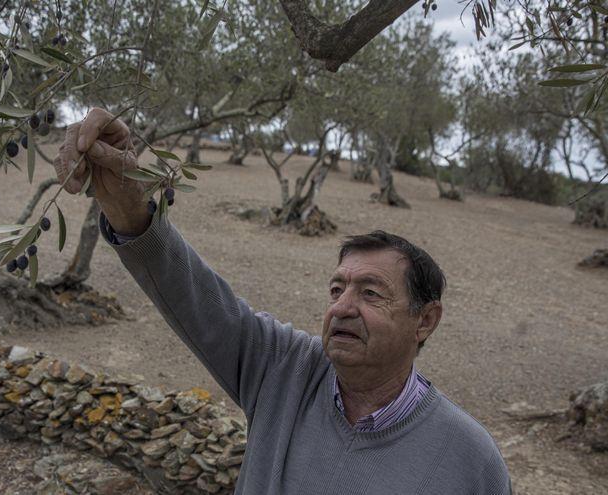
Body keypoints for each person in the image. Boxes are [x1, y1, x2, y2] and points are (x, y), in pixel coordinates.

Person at [52, 108, 512, 494]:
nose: (342, 308)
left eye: (370, 293)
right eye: (337, 290)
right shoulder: (284, 370)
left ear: (425, 320)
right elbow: (194, 297)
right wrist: (129, 206)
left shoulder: (471, 462)